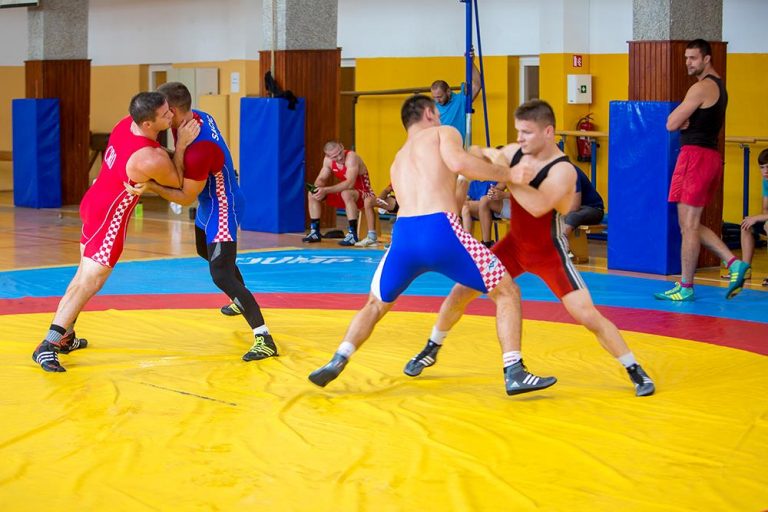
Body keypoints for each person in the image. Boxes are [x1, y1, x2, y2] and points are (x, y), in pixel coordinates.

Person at [402, 99, 655, 397]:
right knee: (461, 291)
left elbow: (536, 206)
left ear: (548, 132)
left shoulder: (563, 171)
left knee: (586, 314)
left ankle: (634, 369)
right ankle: (432, 347)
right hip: (513, 246)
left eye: (526, 132)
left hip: (549, 252)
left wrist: (509, 175)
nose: (519, 138)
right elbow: (475, 152)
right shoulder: (515, 152)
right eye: (517, 131)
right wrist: (491, 159)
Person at [308, 94, 557, 396]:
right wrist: (509, 174)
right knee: (507, 291)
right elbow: (458, 162)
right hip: (440, 229)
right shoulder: (443, 132)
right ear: (429, 113)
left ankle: (339, 357)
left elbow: (419, 197)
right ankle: (514, 370)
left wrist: (462, 180)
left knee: (375, 304)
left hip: (404, 236)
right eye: (437, 113)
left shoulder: (398, 159)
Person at [31, 92, 200, 372]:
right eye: (165, 114)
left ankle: (66, 336)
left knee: (81, 276)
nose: (171, 116)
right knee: (88, 283)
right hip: (109, 219)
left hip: (93, 203)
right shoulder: (149, 157)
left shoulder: (125, 124)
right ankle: (47, 345)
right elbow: (179, 180)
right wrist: (181, 145)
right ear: (148, 124)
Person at [128, 82, 278, 362]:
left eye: (162, 111)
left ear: (172, 110)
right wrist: (179, 147)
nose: (161, 116)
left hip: (223, 206)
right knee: (204, 252)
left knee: (220, 274)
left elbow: (184, 196)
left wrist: (150, 186)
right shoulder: (195, 117)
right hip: (209, 202)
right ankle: (238, 298)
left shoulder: (199, 147)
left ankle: (264, 337)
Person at [656, 38, 749, 302]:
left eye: (693, 58)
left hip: (695, 157)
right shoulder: (720, 86)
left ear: (707, 58)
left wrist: (682, 118)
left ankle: (689, 286)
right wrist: (686, 119)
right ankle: (731, 264)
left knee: (689, 225)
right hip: (706, 157)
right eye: (686, 58)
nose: (688, 63)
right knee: (689, 225)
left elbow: (671, 123)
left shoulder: (702, 87)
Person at [302, 141, 376, 247]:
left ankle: (352, 234)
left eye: (340, 153)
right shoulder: (327, 161)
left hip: (364, 194)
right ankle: (315, 232)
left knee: (346, 193)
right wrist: (317, 188)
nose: (340, 158)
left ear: (342, 146)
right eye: (335, 157)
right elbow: (321, 179)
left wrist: (326, 190)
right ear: (328, 156)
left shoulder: (351, 157)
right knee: (312, 194)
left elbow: (350, 183)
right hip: (346, 194)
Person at [739, 148, 768, 285]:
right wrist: (754, 219)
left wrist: (758, 218)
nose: (765, 171)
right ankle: (745, 270)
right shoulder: (766, 182)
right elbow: (765, 210)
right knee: (746, 225)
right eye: (762, 167)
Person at [563, 166, 604, 236]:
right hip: (568, 209)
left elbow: (575, 206)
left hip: (592, 209)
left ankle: (557, 243)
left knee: (572, 216)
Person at [476, 182, 512, 248]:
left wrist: (505, 195)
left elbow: (531, 194)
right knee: (484, 200)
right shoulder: (512, 171)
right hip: (512, 202)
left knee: (467, 206)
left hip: (528, 207)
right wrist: (494, 191)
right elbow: (503, 182)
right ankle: (487, 244)